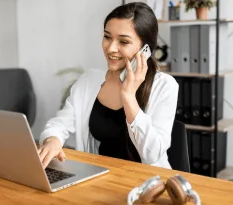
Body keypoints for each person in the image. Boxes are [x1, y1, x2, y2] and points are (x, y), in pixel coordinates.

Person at [38, 2, 178, 169]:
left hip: (146, 185)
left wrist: (128, 97)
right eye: (107, 37)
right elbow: (60, 124)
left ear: (145, 49)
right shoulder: (88, 82)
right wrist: (52, 140)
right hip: (99, 178)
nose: (111, 48)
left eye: (123, 42)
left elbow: (151, 154)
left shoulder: (164, 86)